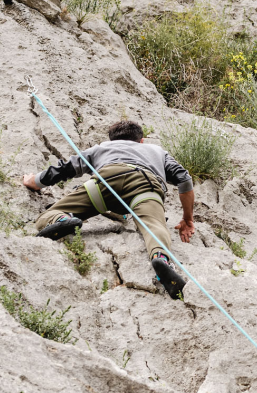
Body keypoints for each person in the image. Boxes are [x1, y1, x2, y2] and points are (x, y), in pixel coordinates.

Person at [22, 120, 194, 299]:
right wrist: (188, 218)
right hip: (144, 186)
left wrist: (34, 181)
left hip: (104, 184)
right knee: (154, 226)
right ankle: (160, 257)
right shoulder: (156, 151)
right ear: (141, 140)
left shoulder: (101, 148)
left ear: (112, 140)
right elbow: (184, 179)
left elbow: (65, 169)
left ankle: (61, 220)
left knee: (48, 215)